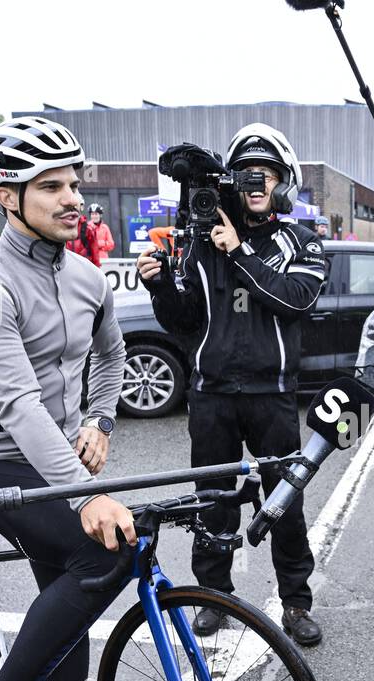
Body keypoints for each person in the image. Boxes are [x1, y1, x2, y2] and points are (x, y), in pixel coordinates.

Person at [0, 116, 137, 681]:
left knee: (68, 587)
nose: (72, 198)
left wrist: (100, 422)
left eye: (74, 183)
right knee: (101, 553)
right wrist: (88, 494)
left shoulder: (86, 277)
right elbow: (17, 405)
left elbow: (114, 358)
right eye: (50, 186)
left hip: (53, 459)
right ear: (7, 196)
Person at [137, 123, 327, 646]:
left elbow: (294, 300)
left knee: (283, 503)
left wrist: (240, 250)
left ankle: (295, 602)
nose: (256, 182)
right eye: (246, 174)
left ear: (284, 182)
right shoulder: (202, 244)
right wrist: (159, 286)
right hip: (213, 395)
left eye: (267, 174)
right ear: (233, 182)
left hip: (272, 397)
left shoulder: (301, 242)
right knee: (213, 500)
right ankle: (214, 596)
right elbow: (185, 323)